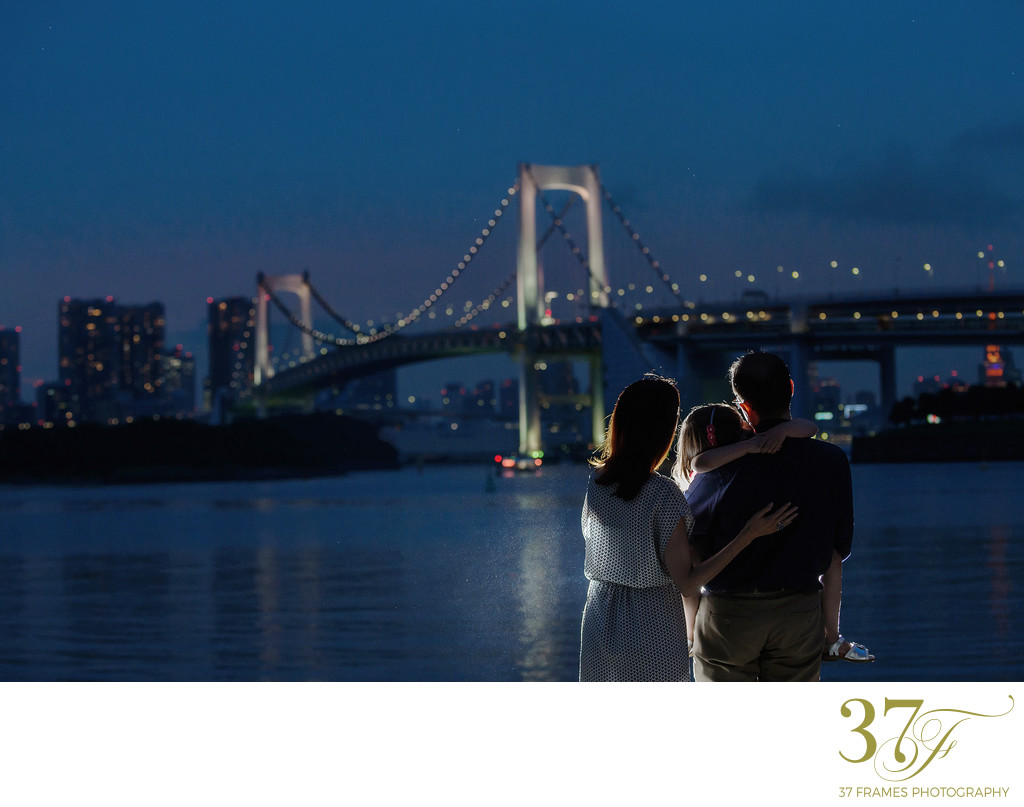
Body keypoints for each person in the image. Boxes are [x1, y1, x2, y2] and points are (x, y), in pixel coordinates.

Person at [578, 375, 798, 682]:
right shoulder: (663, 493)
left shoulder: (598, 482)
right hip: (652, 623)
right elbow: (688, 584)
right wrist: (748, 534)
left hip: (601, 616)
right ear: (663, 430)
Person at [684, 351, 873, 682]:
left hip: (729, 614)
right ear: (790, 387)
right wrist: (831, 634)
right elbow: (836, 552)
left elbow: (692, 540)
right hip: (799, 614)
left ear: (743, 406)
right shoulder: (831, 461)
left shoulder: (721, 464)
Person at [672, 403, 817, 652]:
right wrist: (779, 432)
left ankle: (690, 635)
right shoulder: (759, 452)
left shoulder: (705, 482)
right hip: (792, 605)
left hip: (726, 607)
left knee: (693, 570)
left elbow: (689, 586)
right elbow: (810, 427)